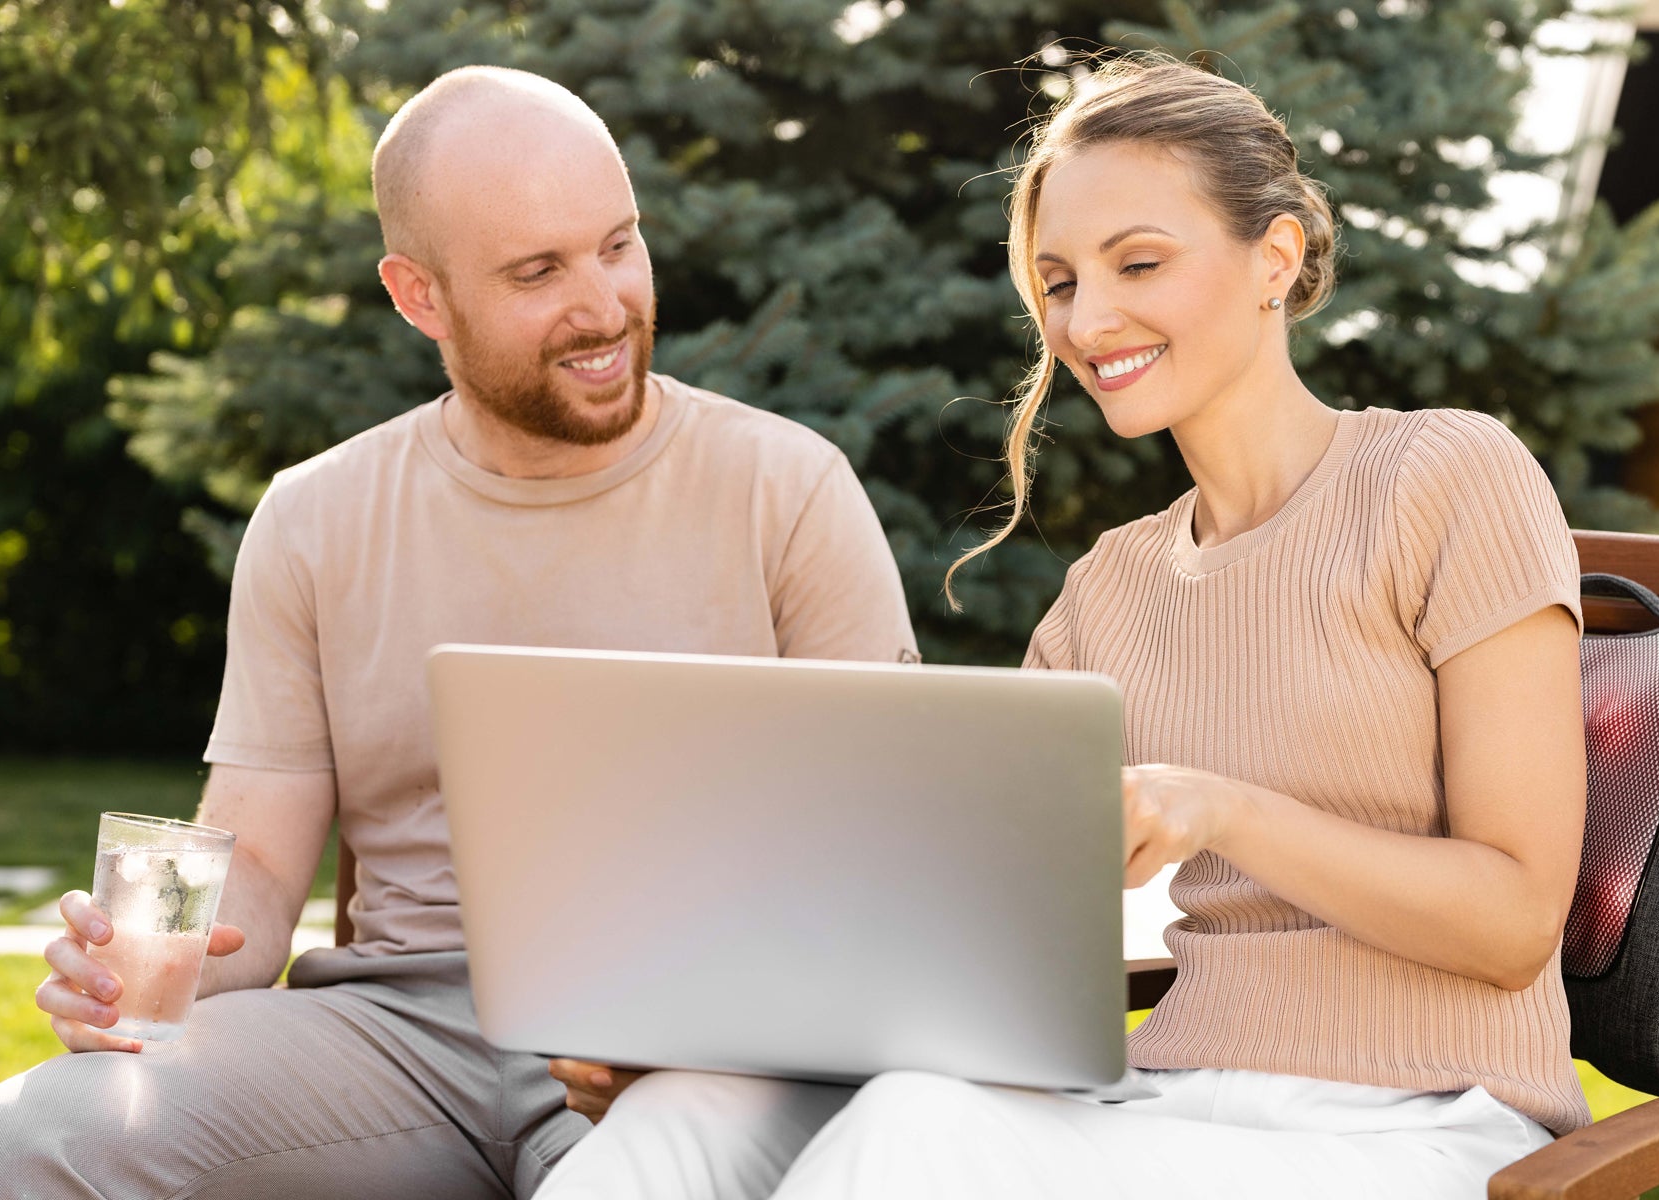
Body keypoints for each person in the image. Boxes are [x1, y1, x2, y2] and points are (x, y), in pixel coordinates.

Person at [537, 56, 1590, 1199]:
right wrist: (713, 1030)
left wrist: (1224, 808)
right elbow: (966, 933)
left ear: (1273, 260)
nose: (1087, 320)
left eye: (1138, 262)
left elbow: (1516, 917)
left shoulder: (1443, 476)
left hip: (1417, 1128)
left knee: (914, 1139)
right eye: (1057, 281)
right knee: (684, 1118)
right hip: (1170, 1099)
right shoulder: (1109, 591)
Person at [0, 66, 917, 1200]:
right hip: (401, 1032)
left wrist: (725, 1022)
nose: (603, 306)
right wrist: (140, 970)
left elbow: (884, 862)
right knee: (33, 1136)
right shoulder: (315, 517)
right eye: (536, 272)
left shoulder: (788, 489)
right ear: (418, 297)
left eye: (617, 244)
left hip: (696, 1037)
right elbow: (257, 861)